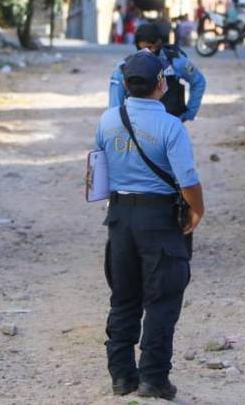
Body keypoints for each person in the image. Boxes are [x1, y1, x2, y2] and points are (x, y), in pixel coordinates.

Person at [96, 49, 206, 399]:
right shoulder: (170, 126)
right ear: (162, 84)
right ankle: (153, 378)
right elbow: (187, 179)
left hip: (119, 216)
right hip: (158, 217)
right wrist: (196, 211)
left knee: (124, 296)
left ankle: (122, 376)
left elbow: (97, 171)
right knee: (162, 298)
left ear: (125, 84)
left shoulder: (107, 120)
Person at [109, 23, 206, 122]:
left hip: (170, 124)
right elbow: (115, 109)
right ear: (138, 45)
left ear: (159, 42)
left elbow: (198, 81)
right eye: (146, 48)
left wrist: (189, 113)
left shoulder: (175, 61)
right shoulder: (124, 68)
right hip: (139, 127)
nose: (151, 51)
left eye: (153, 47)